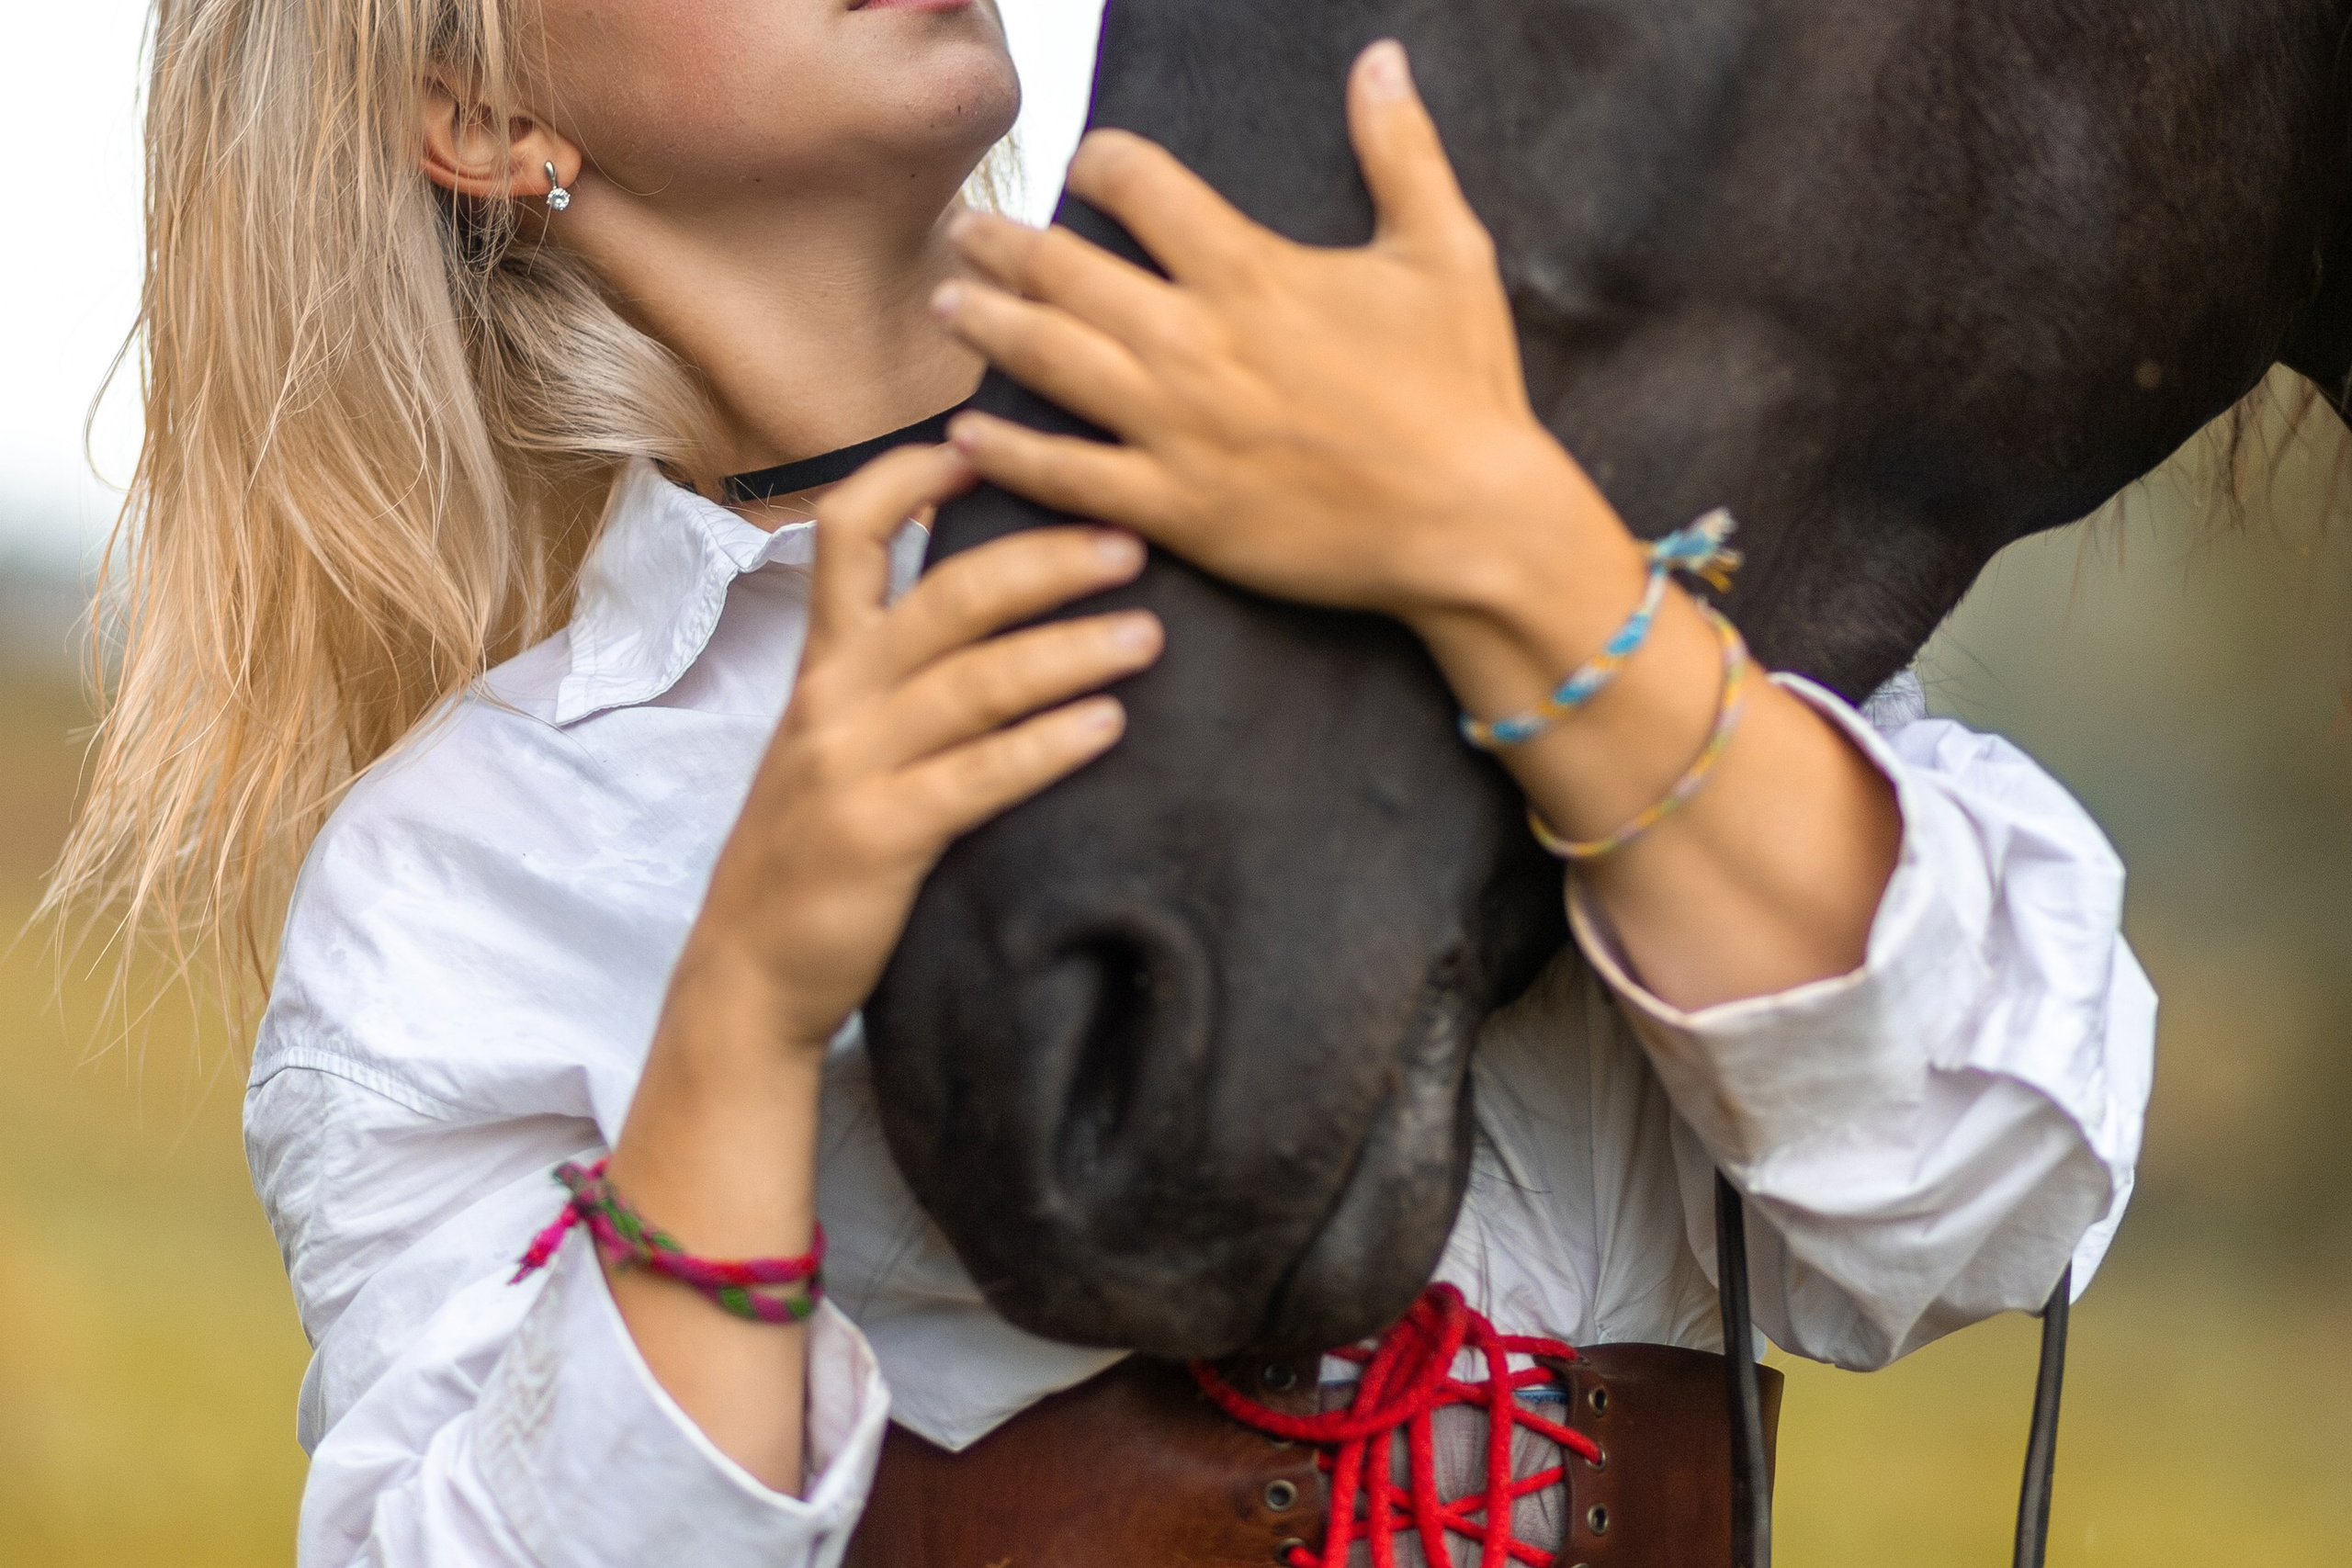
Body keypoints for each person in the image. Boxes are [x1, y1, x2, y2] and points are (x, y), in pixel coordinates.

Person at [53, 1, 2152, 1562]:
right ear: (483, 108)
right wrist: (748, 1004)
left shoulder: (1459, 458)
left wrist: (1506, 557)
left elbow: (1999, 1197)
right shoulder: (473, 868)